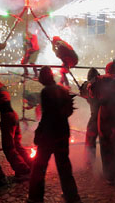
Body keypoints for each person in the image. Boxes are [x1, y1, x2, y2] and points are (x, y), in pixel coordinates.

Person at [27, 66, 81, 203]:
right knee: (64, 167)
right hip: (63, 132)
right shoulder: (62, 89)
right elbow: (67, 111)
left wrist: (38, 132)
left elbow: (47, 116)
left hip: (49, 135)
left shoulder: (46, 91)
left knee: (39, 167)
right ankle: (72, 196)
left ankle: (35, 198)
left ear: (45, 77)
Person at [0, 72, 32, 182]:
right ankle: (31, 165)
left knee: (8, 147)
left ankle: (23, 171)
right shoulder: (1, 86)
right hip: (13, 115)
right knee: (17, 145)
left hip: (7, 117)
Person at [89, 60, 115, 184]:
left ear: (106, 69)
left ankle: (108, 174)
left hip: (104, 112)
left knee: (105, 142)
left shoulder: (99, 79)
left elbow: (92, 93)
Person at [79, 67, 100, 167]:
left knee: (90, 138)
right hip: (108, 115)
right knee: (107, 140)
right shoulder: (104, 83)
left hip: (95, 116)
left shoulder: (88, 85)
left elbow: (83, 93)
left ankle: (89, 162)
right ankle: (112, 165)